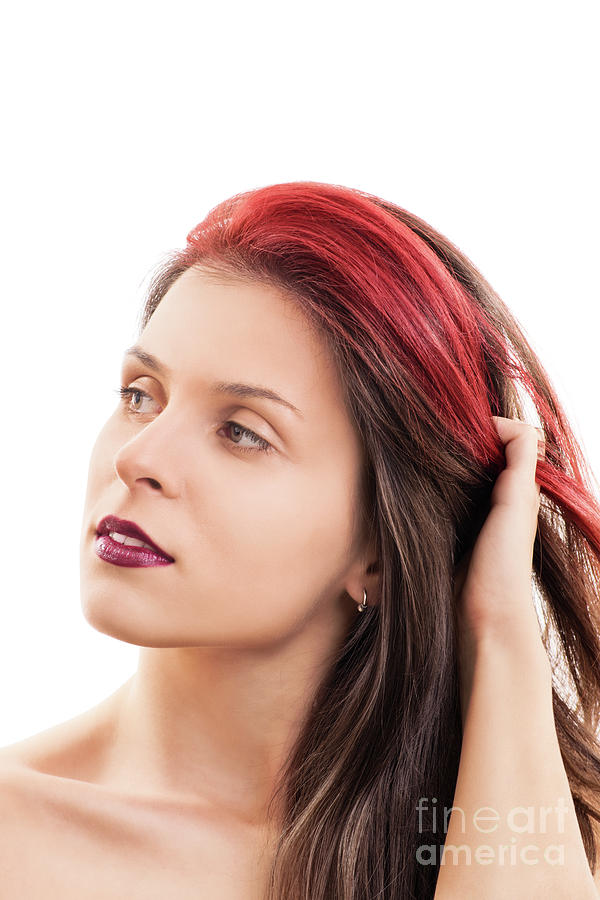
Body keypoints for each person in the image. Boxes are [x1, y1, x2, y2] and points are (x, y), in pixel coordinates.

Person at [1, 181, 600, 899]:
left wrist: (501, 633)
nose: (138, 459)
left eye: (242, 432)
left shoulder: (524, 827)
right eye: (140, 396)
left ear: (379, 549)